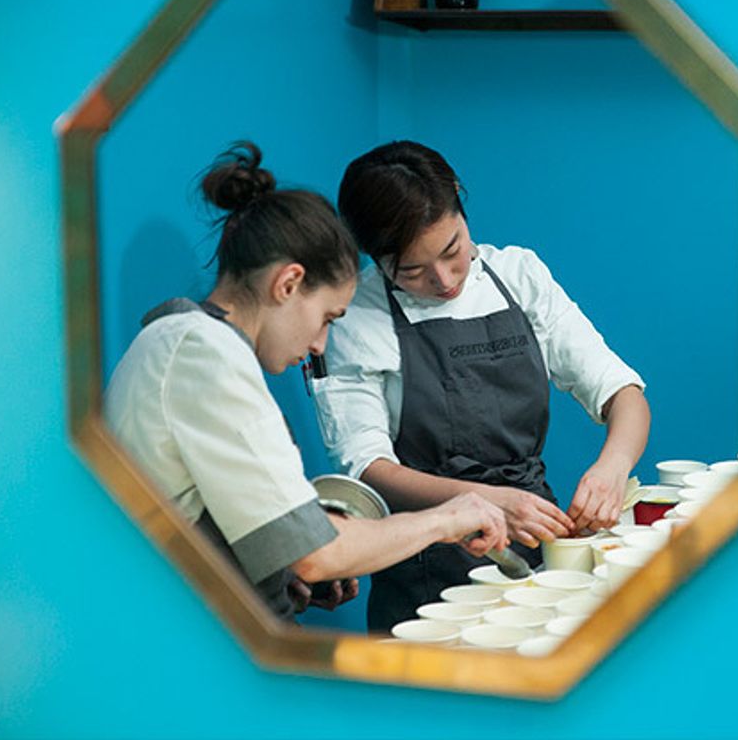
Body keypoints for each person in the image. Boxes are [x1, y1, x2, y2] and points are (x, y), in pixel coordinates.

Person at [104, 141, 509, 624]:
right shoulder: (204, 355)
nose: (320, 344)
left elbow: (214, 522)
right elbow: (317, 555)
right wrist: (449, 517)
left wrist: (279, 573)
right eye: (327, 318)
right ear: (288, 284)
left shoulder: (177, 342)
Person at [312, 140, 651, 631]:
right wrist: (486, 502)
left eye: (453, 250)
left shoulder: (519, 276)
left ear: (459, 199)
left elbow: (623, 394)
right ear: (374, 258)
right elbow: (367, 466)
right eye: (411, 271)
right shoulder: (356, 315)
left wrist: (612, 469)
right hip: (423, 572)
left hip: (536, 547)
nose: (444, 279)